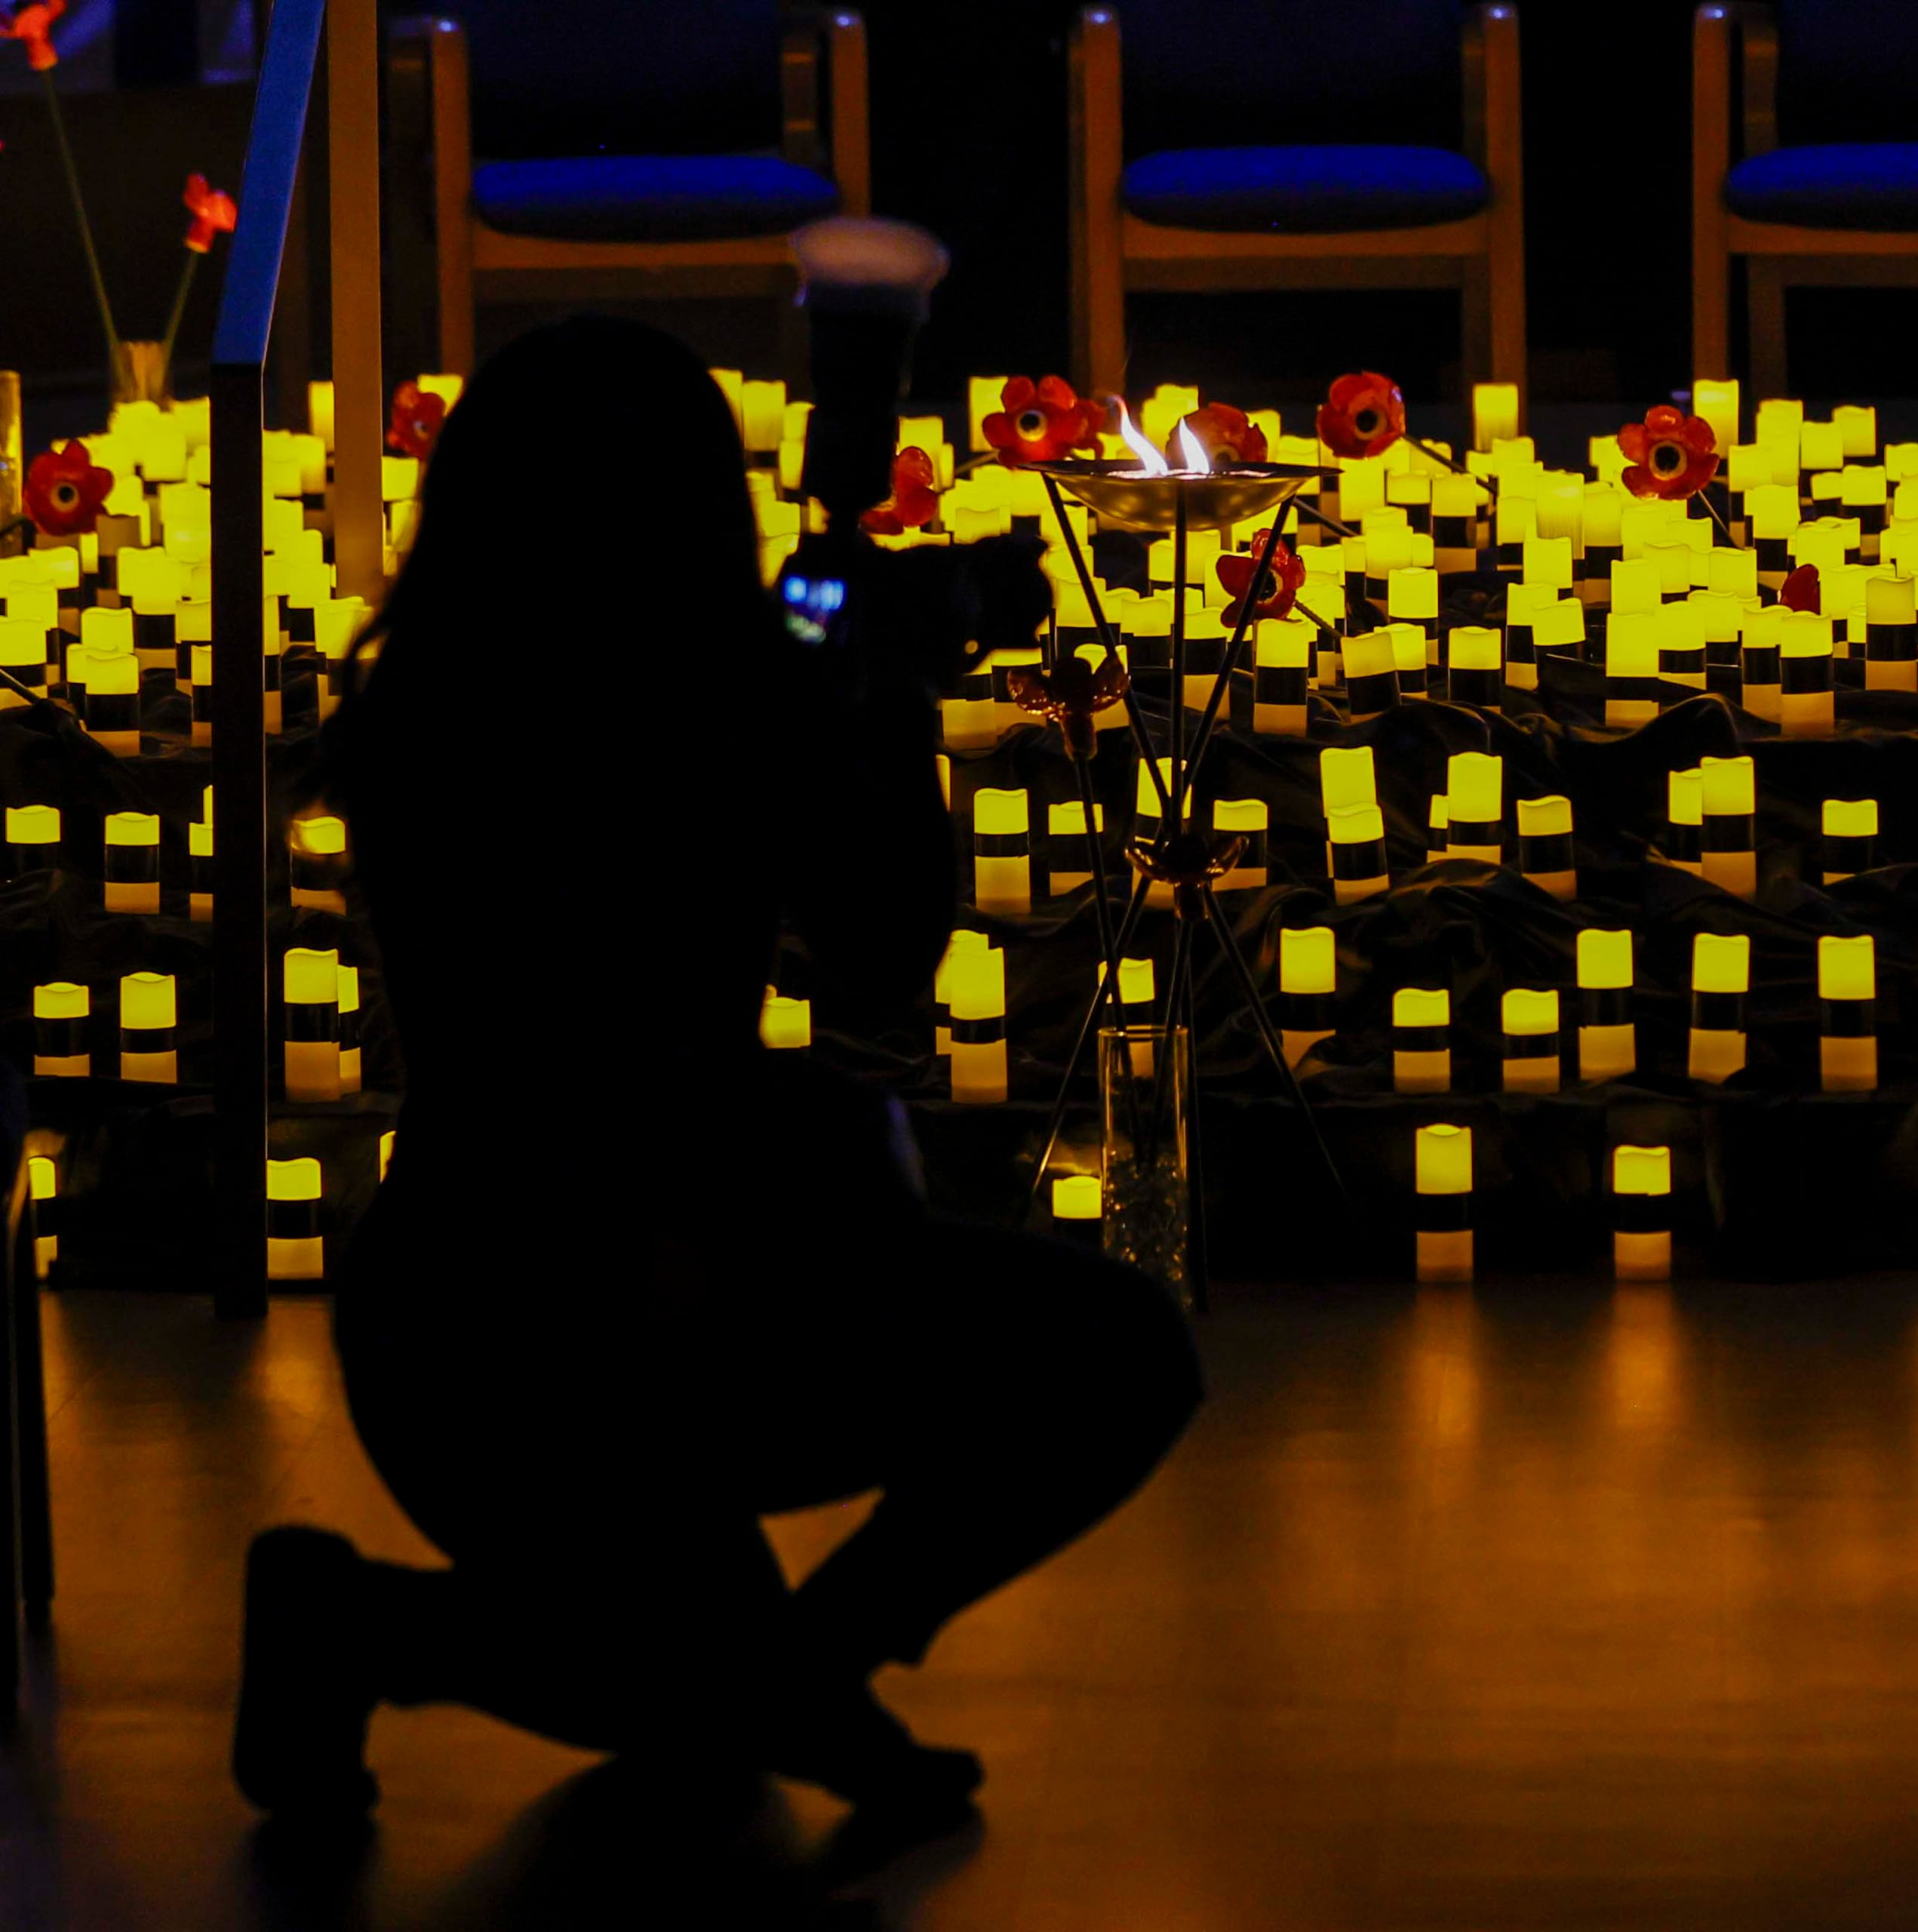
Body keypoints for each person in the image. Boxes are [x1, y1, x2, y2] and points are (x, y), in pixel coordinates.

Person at [229, 315, 1202, 1831]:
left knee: (667, 1691)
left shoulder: (434, 708)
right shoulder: (710, 703)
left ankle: (764, 1668)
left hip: (476, 1299)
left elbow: (866, 940)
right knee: (1116, 1353)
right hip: (569, 1303)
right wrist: (856, 697)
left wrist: (845, 700)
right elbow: (882, 955)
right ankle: (677, 1657)